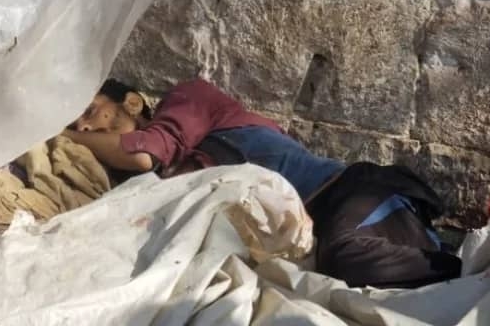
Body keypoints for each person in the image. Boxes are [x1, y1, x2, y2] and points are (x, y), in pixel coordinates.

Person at [64, 78, 462, 288]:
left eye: (90, 113)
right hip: (310, 238)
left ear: (133, 103)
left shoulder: (190, 98)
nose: (84, 128)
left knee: (344, 255)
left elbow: (145, 151)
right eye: (77, 126)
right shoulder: (155, 184)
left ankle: (461, 270)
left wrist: (59, 134)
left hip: (353, 192)